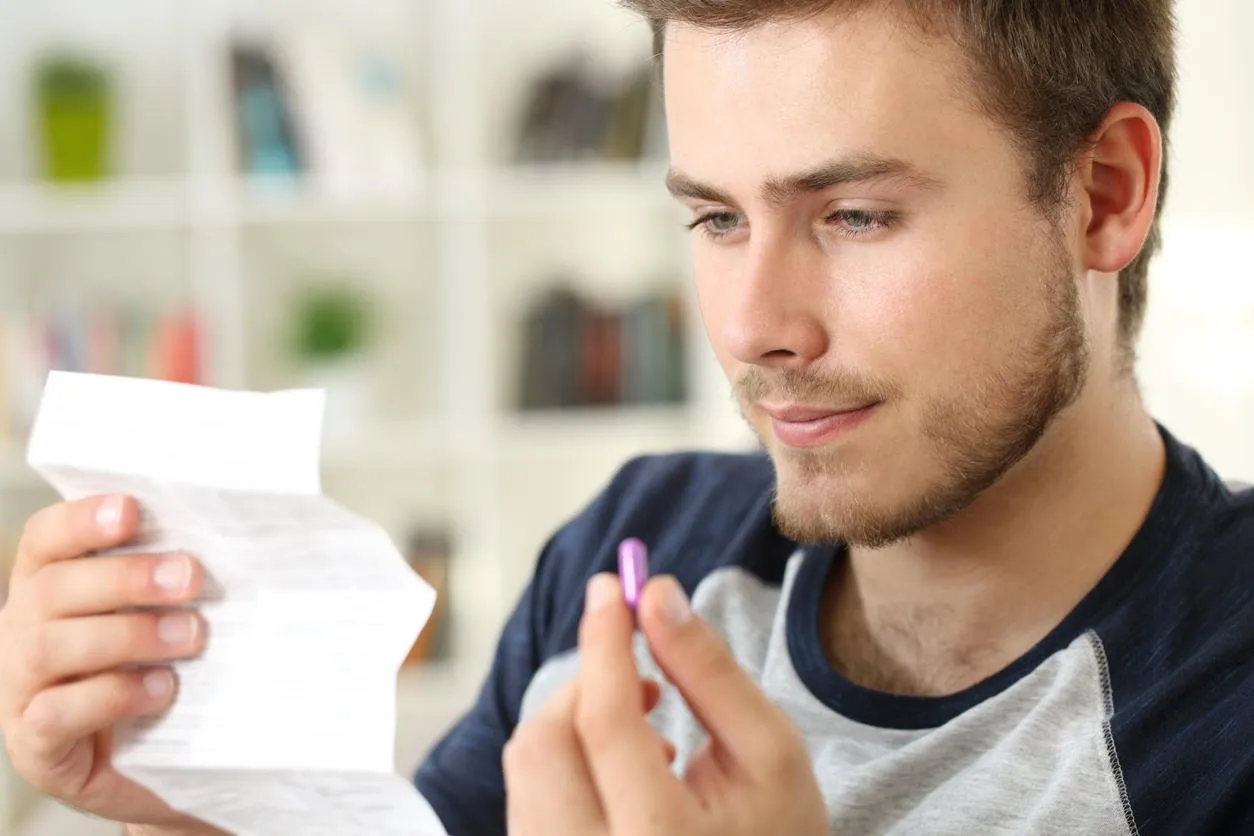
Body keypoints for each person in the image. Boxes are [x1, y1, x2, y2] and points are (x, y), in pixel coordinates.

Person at [2, 0, 1252, 834]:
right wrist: (215, 798)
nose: (756, 324)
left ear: (1104, 194)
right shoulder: (632, 546)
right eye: (715, 218)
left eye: (854, 214)